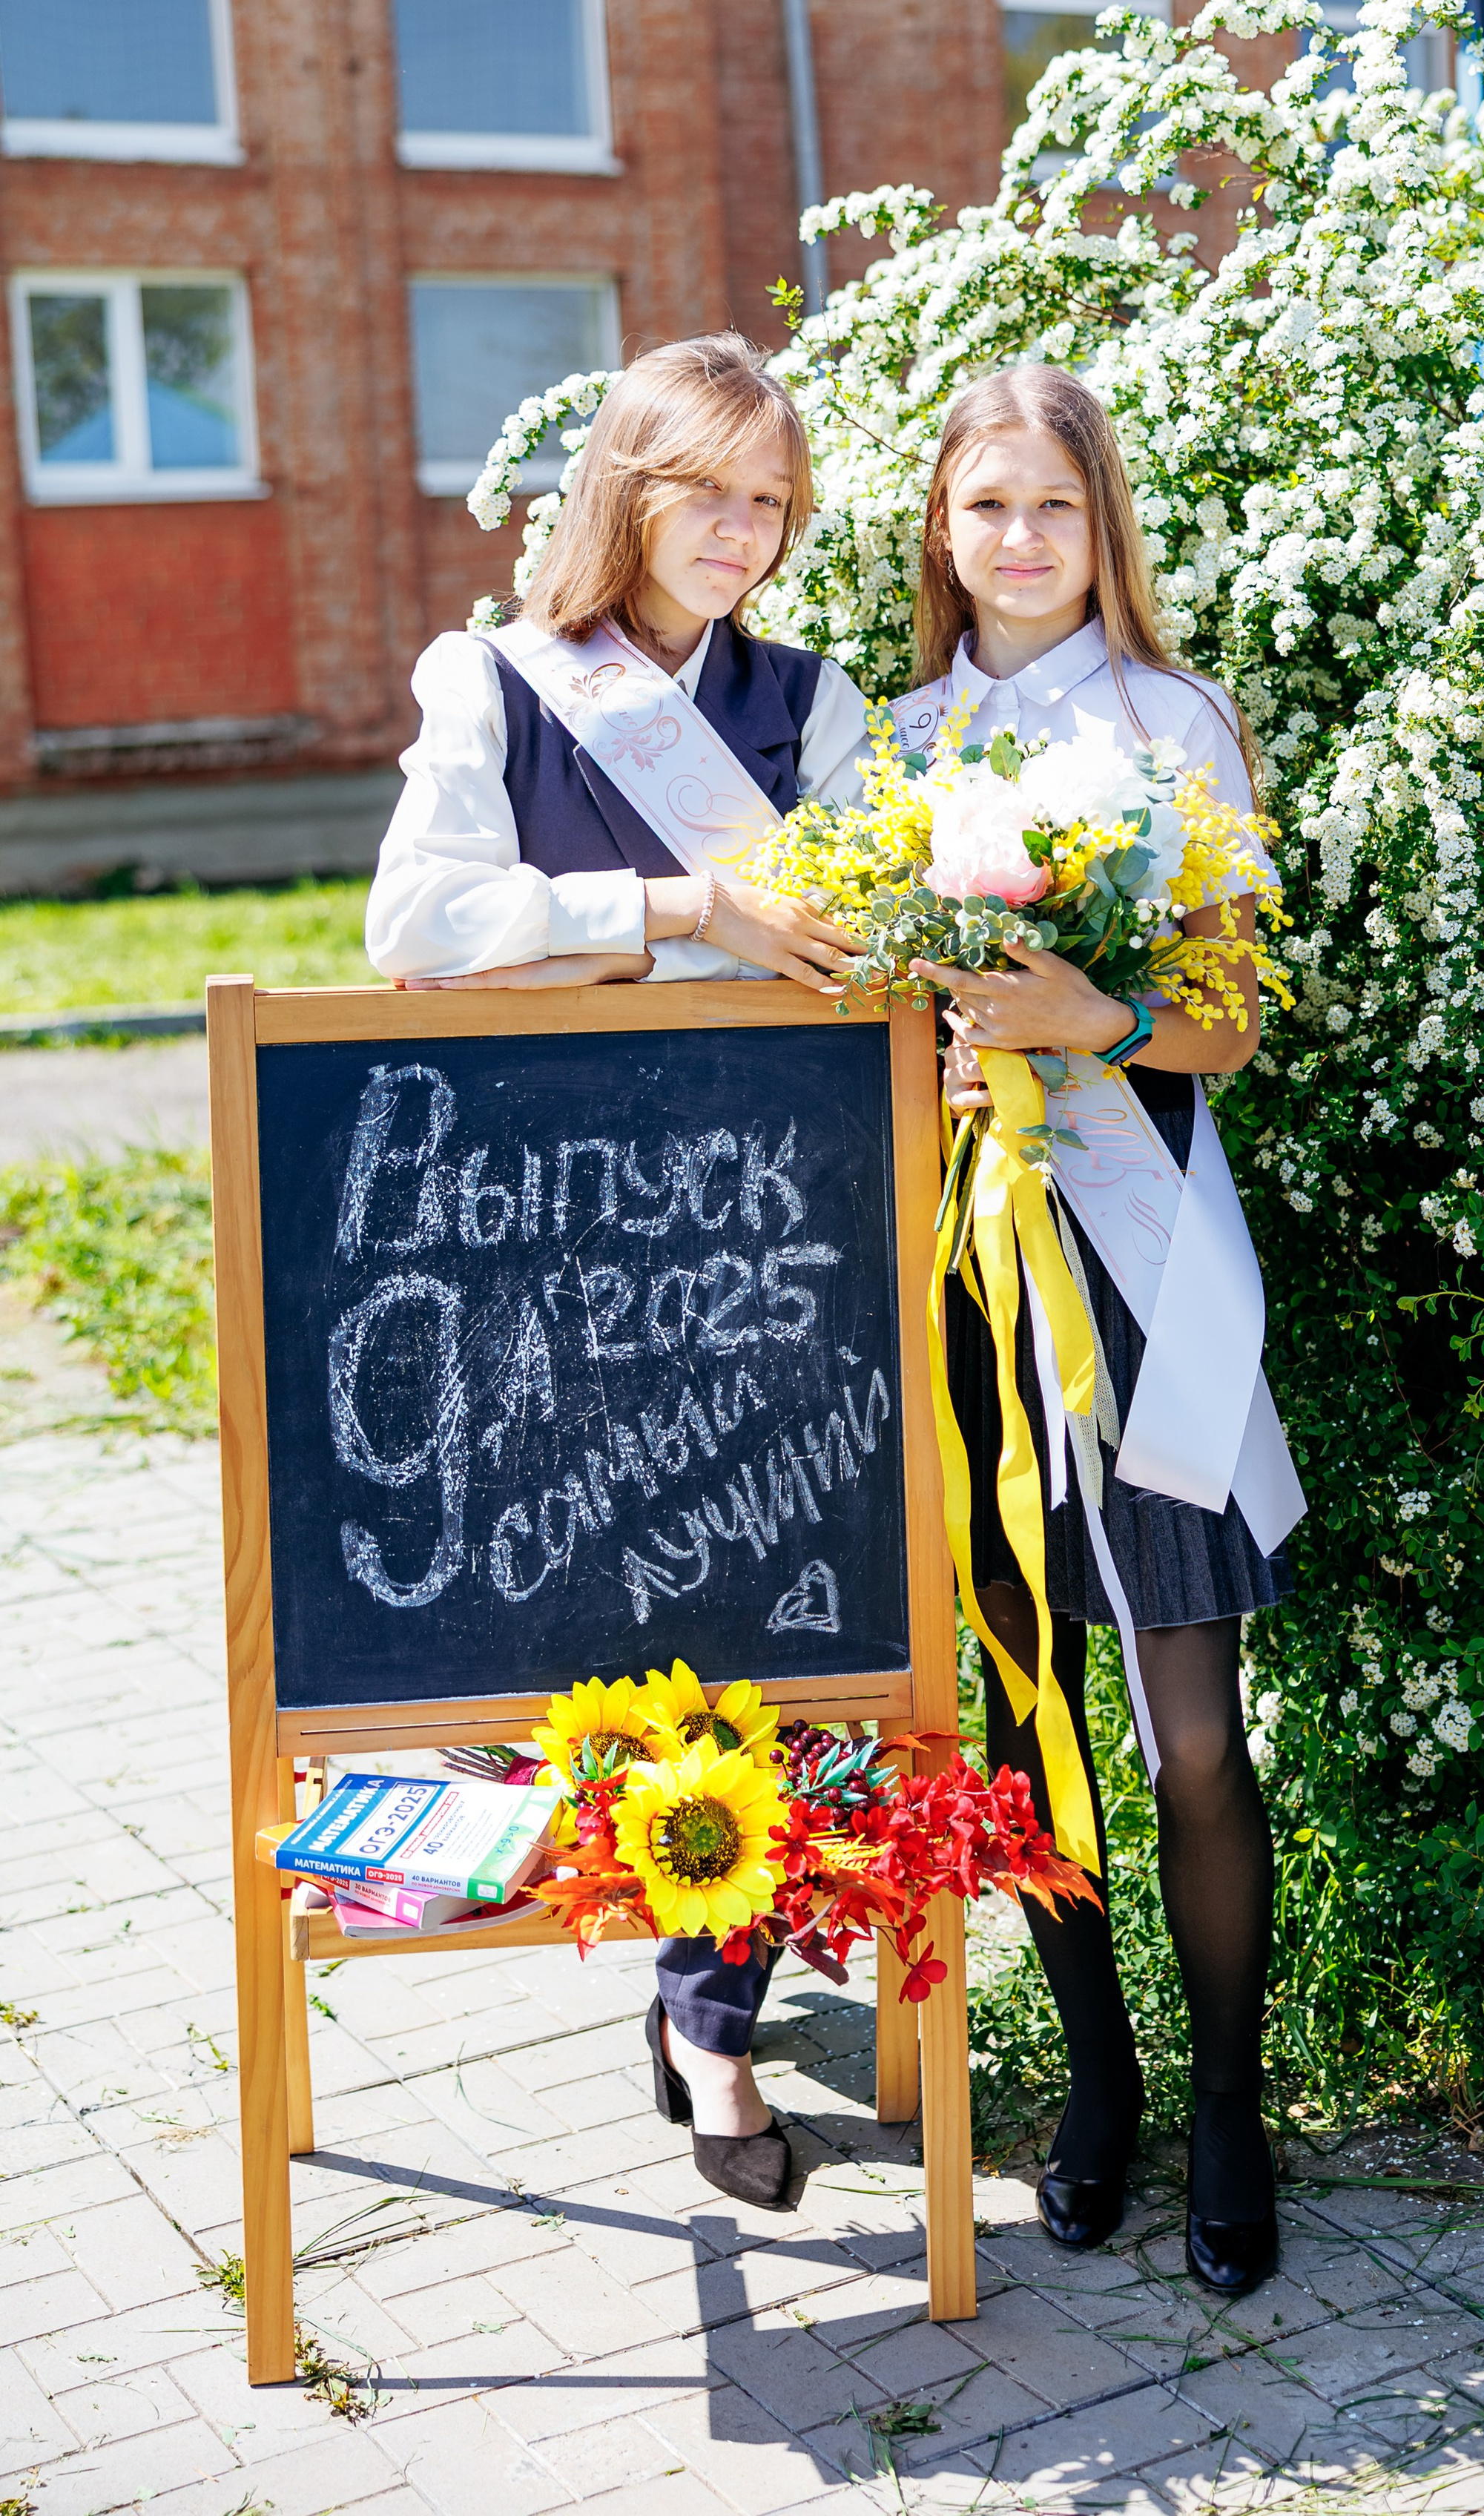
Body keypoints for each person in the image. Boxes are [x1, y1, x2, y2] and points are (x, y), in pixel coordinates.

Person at [364, 331, 870, 2208]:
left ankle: (709, 2027)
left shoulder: (813, 714)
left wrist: (573, 949)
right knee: (605, 1625)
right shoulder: (490, 682)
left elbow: (860, 949)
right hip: (538, 1249)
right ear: (624, 488)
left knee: (761, 1611)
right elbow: (418, 924)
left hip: (765, 1239)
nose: (739, 534)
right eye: (706, 491)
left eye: (771, 501)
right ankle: (684, 1984)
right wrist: (675, 909)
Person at [894, 364, 1297, 2299]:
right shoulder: (884, 747)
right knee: (1020, 1702)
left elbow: (1227, 1025)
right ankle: (1100, 2078)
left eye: (1056, 505)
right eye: (988, 506)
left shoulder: (1178, 724)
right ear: (942, 529)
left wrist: (1095, 1025)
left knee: (1189, 1728)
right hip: (963, 1286)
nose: (1023, 539)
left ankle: (1231, 2099)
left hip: (1139, 1276)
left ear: (1102, 525)